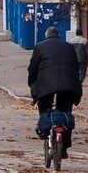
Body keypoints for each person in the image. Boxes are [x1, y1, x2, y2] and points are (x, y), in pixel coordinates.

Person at [28, 26, 82, 157]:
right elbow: (76, 66)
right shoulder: (68, 46)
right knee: (65, 113)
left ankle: (44, 131)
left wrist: (33, 86)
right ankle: (64, 146)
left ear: (46, 36)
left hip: (46, 85)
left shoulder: (39, 47)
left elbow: (33, 69)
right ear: (58, 36)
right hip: (68, 85)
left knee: (44, 107)